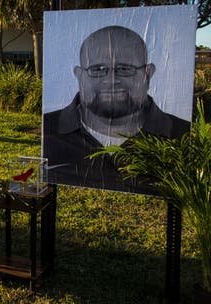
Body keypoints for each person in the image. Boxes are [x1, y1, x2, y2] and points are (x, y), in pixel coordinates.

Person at [43, 26, 190, 193]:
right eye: (97, 69)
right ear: (79, 75)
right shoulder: (47, 130)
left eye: (125, 69)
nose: (111, 80)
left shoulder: (183, 136)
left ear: (147, 74)